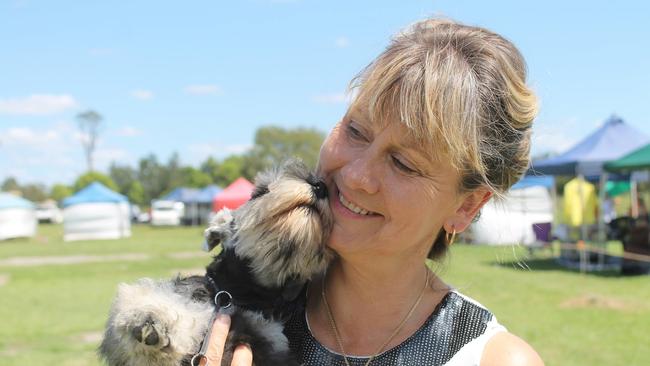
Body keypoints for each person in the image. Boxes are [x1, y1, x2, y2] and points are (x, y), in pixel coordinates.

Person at [201, 18, 544, 365]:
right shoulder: (225, 308)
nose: (355, 176)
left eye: (403, 163)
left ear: (467, 205)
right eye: (355, 131)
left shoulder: (490, 358)